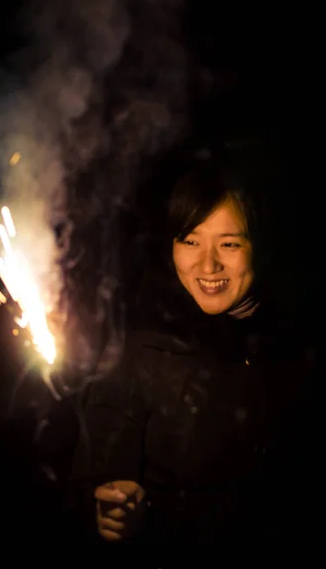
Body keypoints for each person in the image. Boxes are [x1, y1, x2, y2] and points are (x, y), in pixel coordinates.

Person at [69, 152, 322, 553]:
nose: (208, 265)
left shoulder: (299, 346)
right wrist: (114, 508)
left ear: (261, 245)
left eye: (229, 244)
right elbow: (97, 473)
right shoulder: (139, 348)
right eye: (190, 241)